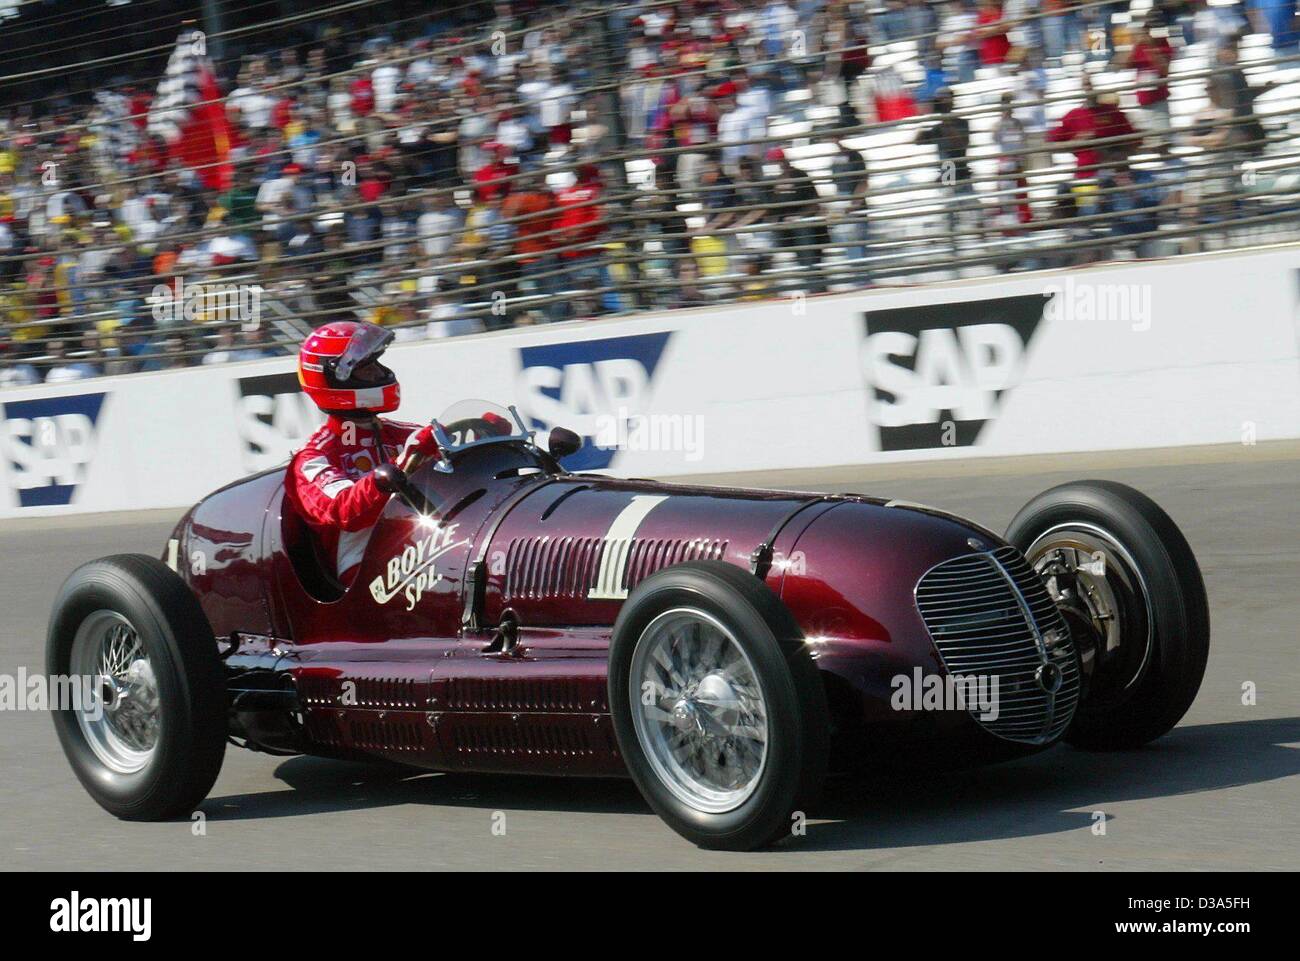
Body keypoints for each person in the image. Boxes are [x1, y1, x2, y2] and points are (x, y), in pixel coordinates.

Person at [287, 321, 441, 583]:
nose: (380, 373)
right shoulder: (313, 458)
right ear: (335, 380)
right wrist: (400, 467)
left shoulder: (407, 434)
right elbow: (344, 511)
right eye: (367, 368)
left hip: (431, 547)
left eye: (377, 365)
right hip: (365, 570)